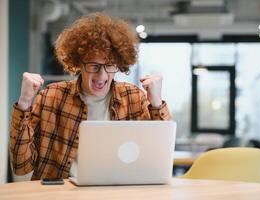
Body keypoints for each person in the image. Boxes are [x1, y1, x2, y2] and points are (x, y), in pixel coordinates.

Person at [10, 12, 171, 180]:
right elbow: (21, 166)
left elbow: (160, 158)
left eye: (109, 65)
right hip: (59, 195)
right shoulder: (52, 96)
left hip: (116, 191)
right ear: (79, 63)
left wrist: (157, 104)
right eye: (94, 65)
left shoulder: (134, 98)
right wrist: (24, 104)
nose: (101, 75)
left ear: (119, 64)